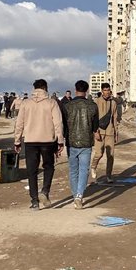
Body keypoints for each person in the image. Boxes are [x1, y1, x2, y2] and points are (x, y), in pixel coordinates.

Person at [14, 79, 64, 211]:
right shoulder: (52, 103)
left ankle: (34, 201)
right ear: (45, 88)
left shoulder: (26, 103)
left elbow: (19, 123)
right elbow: (58, 123)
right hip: (48, 141)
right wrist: (60, 140)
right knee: (49, 166)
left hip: (30, 141)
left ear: (34, 88)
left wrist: (17, 141)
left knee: (32, 171)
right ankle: (45, 191)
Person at [61, 80, 99, 210]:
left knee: (73, 170)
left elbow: (64, 126)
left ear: (75, 89)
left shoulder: (67, 106)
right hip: (86, 142)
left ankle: (74, 195)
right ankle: (79, 195)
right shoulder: (93, 106)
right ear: (87, 90)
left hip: (71, 142)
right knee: (84, 170)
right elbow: (95, 126)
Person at [91, 83, 118, 183]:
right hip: (99, 132)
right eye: (105, 90)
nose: (107, 92)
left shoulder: (113, 103)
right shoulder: (96, 101)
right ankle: (93, 167)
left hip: (110, 131)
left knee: (110, 155)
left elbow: (114, 118)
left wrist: (116, 132)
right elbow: (93, 118)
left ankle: (109, 175)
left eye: (108, 90)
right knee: (99, 154)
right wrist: (95, 131)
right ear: (102, 91)